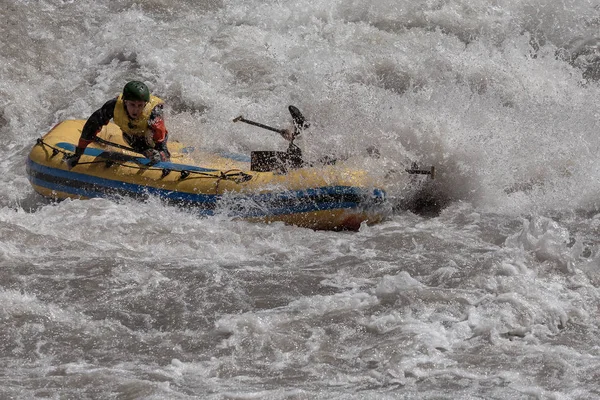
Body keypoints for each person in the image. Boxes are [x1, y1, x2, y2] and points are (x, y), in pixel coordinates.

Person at [64, 80, 171, 168]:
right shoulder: (112, 106)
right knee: (133, 138)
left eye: (140, 105)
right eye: (132, 104)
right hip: (131, 134)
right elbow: (91, 127)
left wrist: (161, 154)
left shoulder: (154, 113)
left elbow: (160, 138)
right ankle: (145, 151)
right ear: (125, 101)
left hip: (151, 133)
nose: (136, 110)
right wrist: (78, 153)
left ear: (145, 104)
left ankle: (152, 153)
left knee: (153, 144)